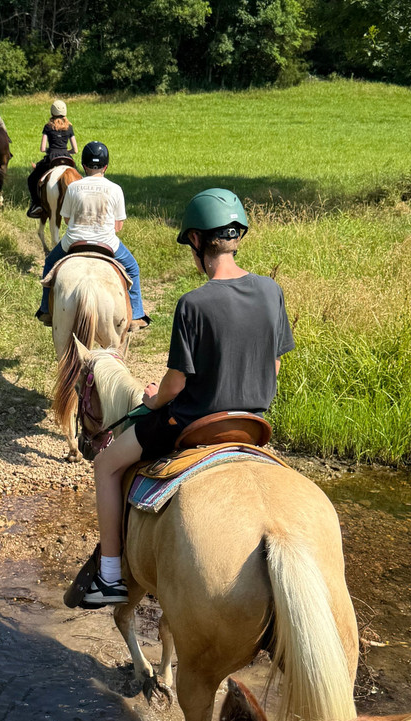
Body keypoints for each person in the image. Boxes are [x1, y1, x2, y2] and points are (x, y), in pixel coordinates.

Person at [80, 189, 295, 607]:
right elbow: (274, 368)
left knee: (106, 465)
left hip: (194, 426)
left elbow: (176, 386)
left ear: (197, 241)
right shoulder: (271, 291)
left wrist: (153, 398)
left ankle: (109, 576)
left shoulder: (194, 303)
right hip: (251, 424)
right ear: (237, 237)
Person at [35, 141, 150, 330]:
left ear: (84, 165)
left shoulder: (73, 188)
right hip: (107, 242)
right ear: (106, 166)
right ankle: (137, 314)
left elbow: (65, 220)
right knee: (132, 268)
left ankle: (46, 309)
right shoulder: (115, 189)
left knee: (49, 264)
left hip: (73, 241)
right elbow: (118, 226)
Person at [26, 100, 78, 218]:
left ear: (52, 111)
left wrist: (50, 150)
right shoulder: (69, 127)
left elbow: (42, 147)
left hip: (52, 158)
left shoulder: (48, 127)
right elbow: (75, 150)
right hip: (67, 158)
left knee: (32, 179)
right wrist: (66, 151)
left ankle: (37, 204)